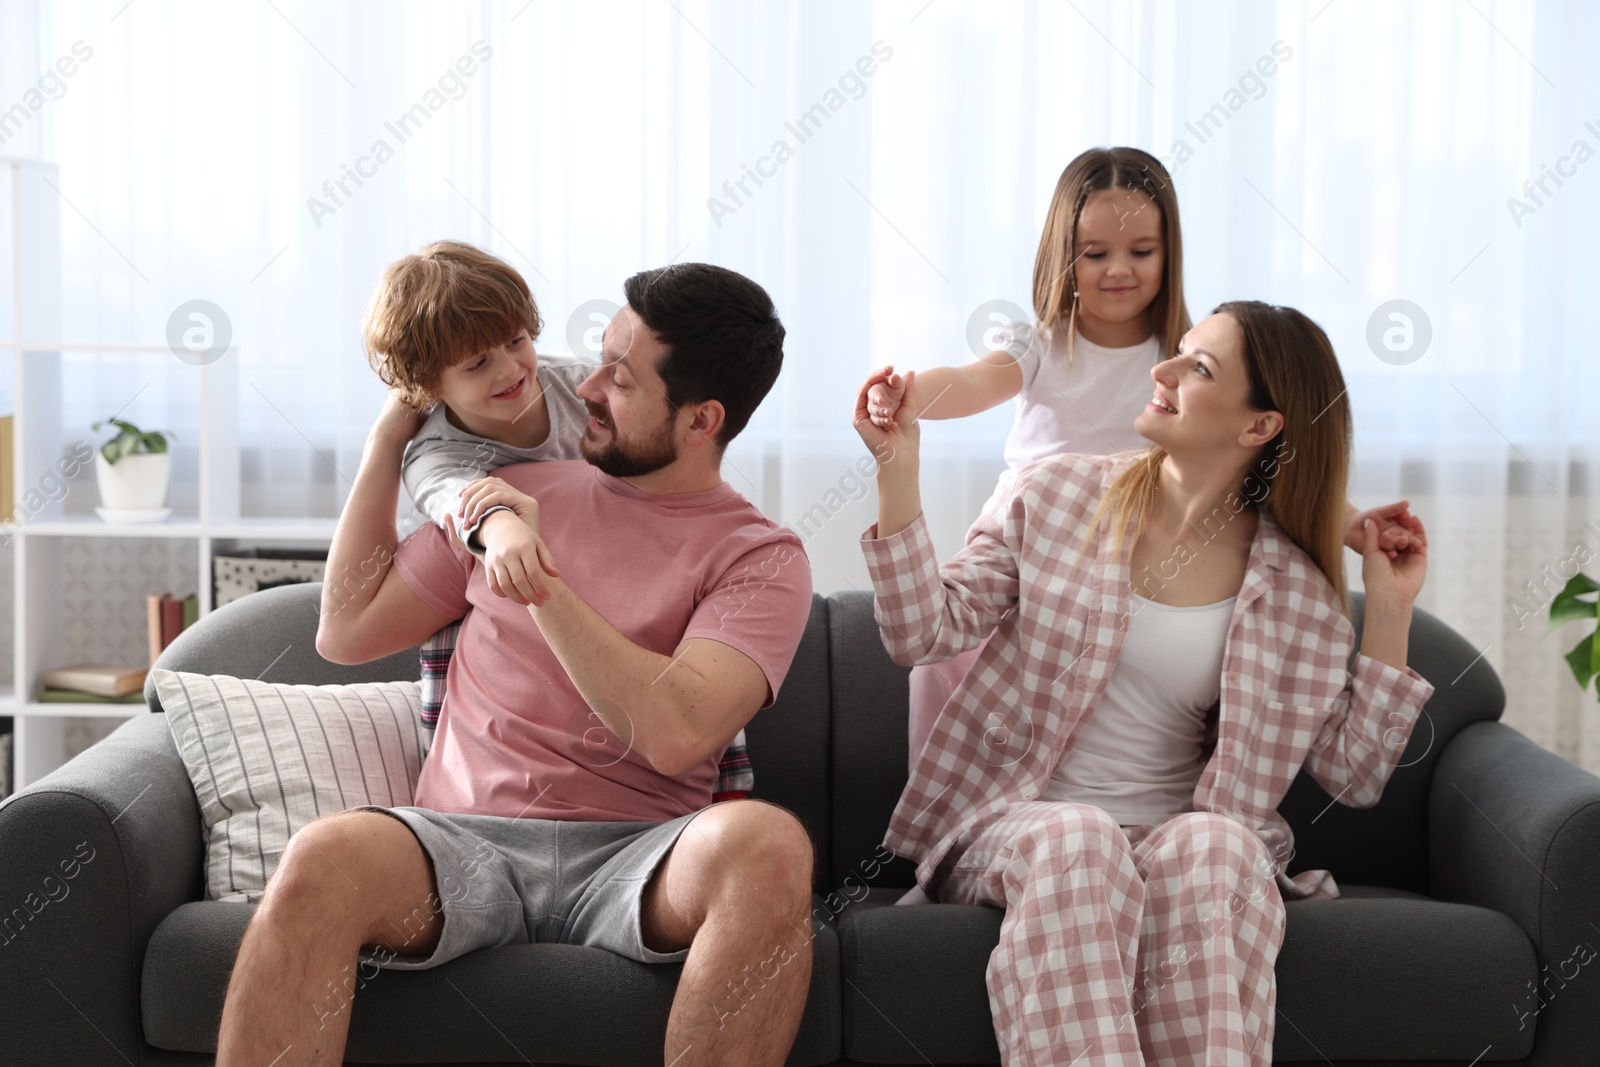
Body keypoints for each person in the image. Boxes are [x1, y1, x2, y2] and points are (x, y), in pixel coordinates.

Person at [215, 263, 816, 1067]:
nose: (587, 387)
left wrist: (537, 578)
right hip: (461, 841)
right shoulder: (506, 492)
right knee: (322, 855)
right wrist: (386, 443)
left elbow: (676, 731)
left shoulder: (761, 557)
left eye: (622, 378)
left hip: (644, 852)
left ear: (702, 418)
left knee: (770, 844)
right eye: (600, 356)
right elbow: (347, 627)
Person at [853, 301, 1433, 1065]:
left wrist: (1388, 606)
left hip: (1178, 836)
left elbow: (1354, 776)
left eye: (1197, 367)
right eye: (1181, 352)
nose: (1160, 370)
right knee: (1078, 834)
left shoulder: (1297, 591)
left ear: (1260, 426)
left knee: (1223, 846)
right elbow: (921, 632)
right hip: (1021, 822)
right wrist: (899, 471)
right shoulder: (1054, 496)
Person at [864, 147, 1416, 771]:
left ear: (1169, 251)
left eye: (1141, 252)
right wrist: (910, 395)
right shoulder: (1043, 344)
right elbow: (972, 381)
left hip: (1134, 550)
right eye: (1095, 254)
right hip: (1035, 551)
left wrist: (1355, 528)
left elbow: (1280, 463)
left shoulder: (1187, 353)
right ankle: (949, 825)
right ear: (1061, 255)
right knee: (950, 669)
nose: (1117, 270)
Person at [361, 239, 752, 800]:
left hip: (609, 589)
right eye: (476, 364)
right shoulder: (437, 454)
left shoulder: (574, 387)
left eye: (516, 341)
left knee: (683, 670)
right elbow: (461, 502)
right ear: (427, 388)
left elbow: (667, 465)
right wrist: (501, 528)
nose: (509, 369)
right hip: (499, 581)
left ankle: (716, 793)